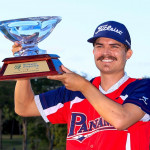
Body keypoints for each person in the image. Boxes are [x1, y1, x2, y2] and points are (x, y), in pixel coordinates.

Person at [12, 21, 150, 150]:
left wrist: (83, 86)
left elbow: (121, 120)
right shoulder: (73, 93)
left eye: (114, 46)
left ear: (128, 54)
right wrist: (23, 65)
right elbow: (24, 107)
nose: (106, 52)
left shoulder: (142, 87)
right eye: (99, 46)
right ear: (94, 52)